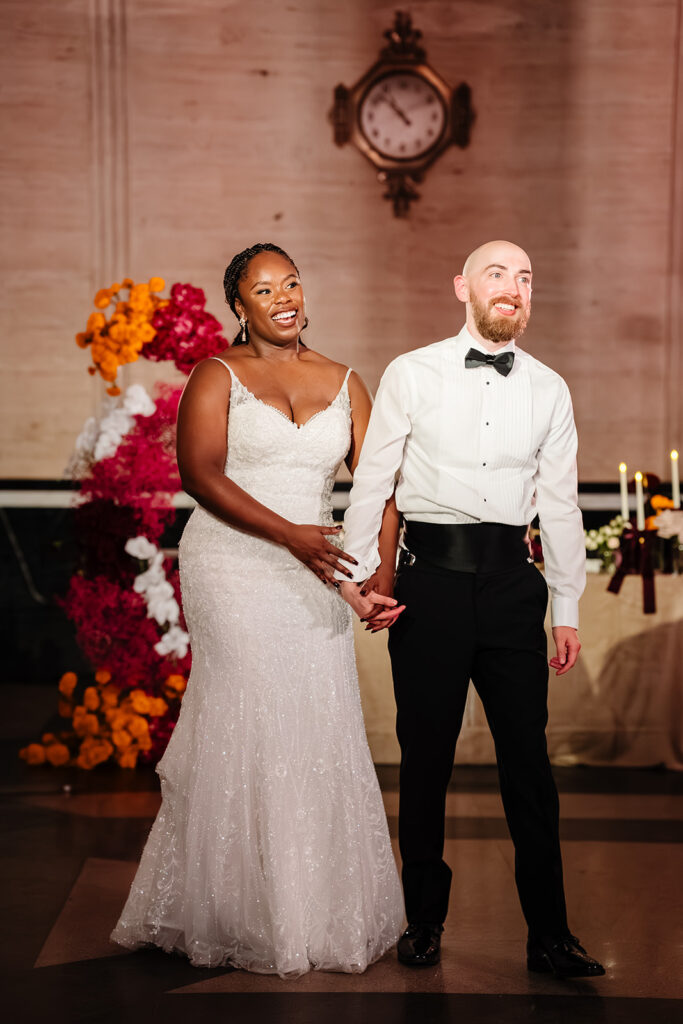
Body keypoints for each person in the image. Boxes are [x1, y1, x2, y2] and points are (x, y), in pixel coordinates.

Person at [111, 242, 405, 977]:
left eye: (293, 283)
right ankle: (230, 909)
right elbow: (200, 475)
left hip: (319, 570)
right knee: (247, 718)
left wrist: (376, 575)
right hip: (235, 565)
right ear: (237, 306)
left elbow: (381, 487)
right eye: (263, 288)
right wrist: (291, 537)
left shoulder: (344, 381)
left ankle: (311, 910)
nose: (283, 297)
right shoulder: (216, 375)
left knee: (315, 717)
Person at [339, 240, 605, 978]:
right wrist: (361, 578)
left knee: (529, 766)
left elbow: (557, 504)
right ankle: (422, 921)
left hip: (512, 588)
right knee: (426, 760)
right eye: (497, 274)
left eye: (524, 278)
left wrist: (565, 607)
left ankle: (550, 933)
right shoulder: (411, 372)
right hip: (429, 588)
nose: (512, 288)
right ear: (462, 286)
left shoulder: (549, 387)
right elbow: (373, 483)